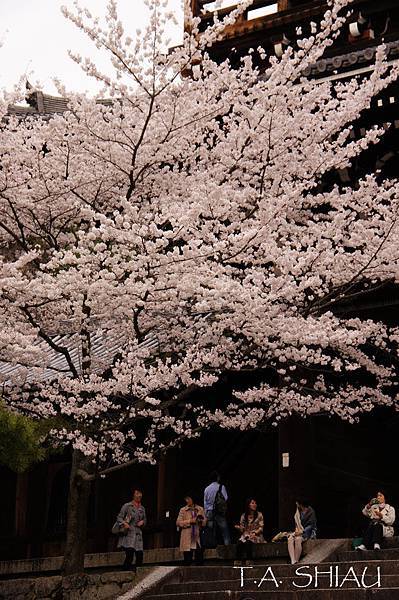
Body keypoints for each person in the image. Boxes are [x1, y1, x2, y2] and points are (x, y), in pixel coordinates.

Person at [115, 488, 147, 571]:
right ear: (133, 495)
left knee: (140, 556)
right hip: (129, 533)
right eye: (137, 493)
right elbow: (119, 518)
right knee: (129, 555)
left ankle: (138, 575)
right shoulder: (127, 506)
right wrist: (124, 523)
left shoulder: (142, 508)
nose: (139, 495)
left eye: (140, 493)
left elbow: (145, 520)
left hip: (138, 534)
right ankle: (125, 573)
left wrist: (143, 522)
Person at [176, 494, 207, 565]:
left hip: (197, 536)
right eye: (186, 499)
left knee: (199, 559)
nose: (187, 501)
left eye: (188, 499)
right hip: (187, 537)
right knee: (187, 560)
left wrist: (201, 521)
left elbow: (205, 522)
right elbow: (178, 522)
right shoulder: (183, 510)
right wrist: (190, 521)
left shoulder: (200, 509)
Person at [204, 471, 231, 545]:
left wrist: (205, 514)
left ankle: (211, 547)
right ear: (218, 478)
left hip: (209, 512)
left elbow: (205, 503)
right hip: (219, 511)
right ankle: (227, 547)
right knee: (224, 531)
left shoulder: (206, 489)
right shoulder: (221, 487)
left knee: (210, 531)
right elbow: (225, 498)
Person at [287, 499, 317, 565]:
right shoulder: (298, 512)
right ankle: (293, 560)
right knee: (290, 538)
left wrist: (302, 532)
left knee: (298, 539)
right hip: (299, 531)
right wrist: (296, 531)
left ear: (301, 504)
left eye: (297, 503)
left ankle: (296, 560)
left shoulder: (311, 511)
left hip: (308, 533)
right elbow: (297, 524)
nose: (296, 505)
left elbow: (311, 526)